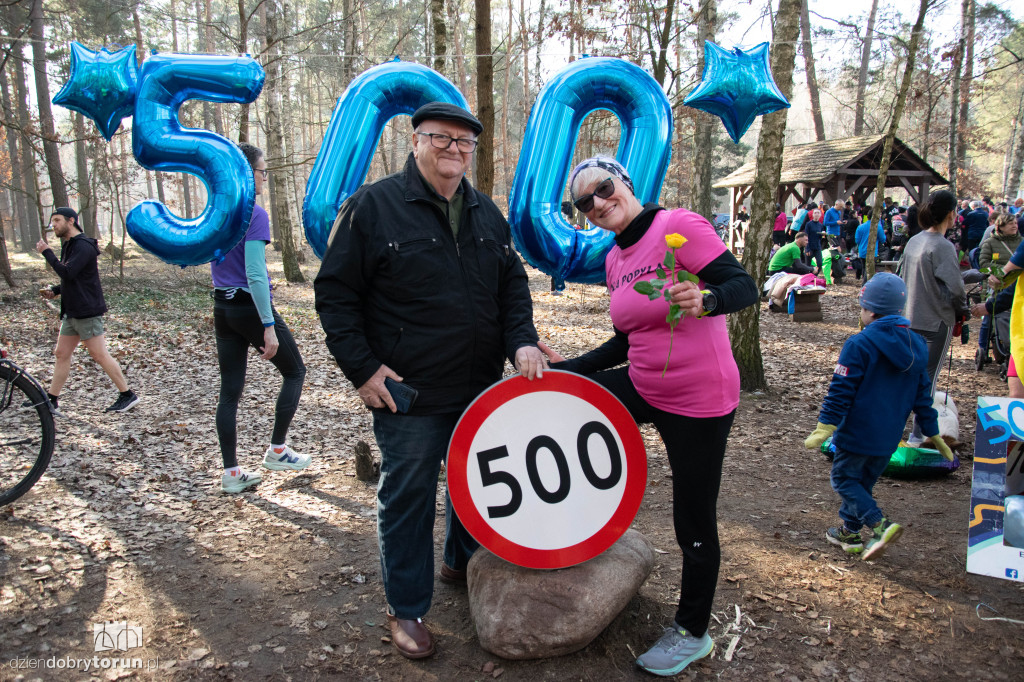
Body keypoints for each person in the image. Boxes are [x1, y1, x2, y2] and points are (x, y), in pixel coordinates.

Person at [313, 102, 545, 660]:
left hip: (479, 385)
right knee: (409, 495)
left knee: (477, 483)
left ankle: (458, 562)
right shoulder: (373, 207)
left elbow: (512, 287)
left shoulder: (486, 213)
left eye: (464, 142)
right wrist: (362, 368)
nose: (454, 150)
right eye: (442, 138)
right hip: (409, 390)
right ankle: (408, 608)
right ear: (416, 141)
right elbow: (335, 295)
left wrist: (522, 340)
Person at [539, 155, 758, 677]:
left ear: (625, 182)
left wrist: (706, 298)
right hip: (642, 382)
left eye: (604, 188)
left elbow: (743, 286)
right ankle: (561, 531)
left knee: (693, 519)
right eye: (583, 202)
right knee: (563, 405)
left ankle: (693, 632)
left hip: (698, 399)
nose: (597, 203)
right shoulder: (615, 258)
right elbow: (626, 339)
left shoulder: (678, 226)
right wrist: (568, 370)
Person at [805, 274, 952, 560]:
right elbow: (923, 395)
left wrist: (825, 425)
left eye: (862, 307)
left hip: (857, 434)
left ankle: (880, 525)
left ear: (871, 311)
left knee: (844, 479)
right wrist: (932, 430)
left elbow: (841, 390)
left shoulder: (859, 344)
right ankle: (849, 533)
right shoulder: (917, 345)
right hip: (889, 438)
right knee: (862, 484)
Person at [210, 143, 309, 494]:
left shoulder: (219, 211)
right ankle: (277, 450)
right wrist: (268, 325)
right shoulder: (254, 213)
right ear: (247, 173)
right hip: (249, 307)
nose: (264, 177)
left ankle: (232, 473)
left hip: (222, 307)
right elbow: (254, 273)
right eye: (261, 171)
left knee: (229, 392)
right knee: (295, 371)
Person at [34, 207, 139, 414]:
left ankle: (127, 395)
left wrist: (47, 252)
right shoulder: (70, 245)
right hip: (72, 311)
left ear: (71, 221)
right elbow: (73, 278)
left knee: (99, 354)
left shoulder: (84, 246)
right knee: (61, 354)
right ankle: (51, 400)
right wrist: (55, 291)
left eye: (57, 220)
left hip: (87, 310)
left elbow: (68, 272)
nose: (53, 225)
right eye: (52, 221)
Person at [898, 190, 971, 444]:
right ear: (951, 214)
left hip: (909, 319)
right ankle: (918, 435)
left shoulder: (914, 241)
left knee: (907, 378)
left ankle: (895, 430)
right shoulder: (944, 246)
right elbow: (956, 289)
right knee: (927, 381)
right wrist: (964, 311)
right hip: (936, 321)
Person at [976, 213, 1021, 363]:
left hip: (1016, 284)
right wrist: (1001, 271)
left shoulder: (1021, 242)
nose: (1014, 226)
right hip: (996, 284)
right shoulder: (990, 243)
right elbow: (983, 264)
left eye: (1015, 223)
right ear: (1001, 226)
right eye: (1010, 223)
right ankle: (983, 347)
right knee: (989, 316)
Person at [852, 217, 886, 282]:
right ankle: (867, 283)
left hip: (862, 251)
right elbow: (883, 239)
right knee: (870, 269)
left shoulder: (860, 227)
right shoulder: (878, 227)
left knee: (864, 268)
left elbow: (857, 240)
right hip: (873, 252)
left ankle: (864, 283)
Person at [803, 208, 824, 273]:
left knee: (820, 263)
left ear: (820, 215)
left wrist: (823, 235)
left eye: (818, 213)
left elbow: (820, 238)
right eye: (815, 213)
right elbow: (806, 236)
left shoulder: (821, 225)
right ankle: (807, 277)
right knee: (807, 265)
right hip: (809, 246)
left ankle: (814, 276)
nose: (816, 214)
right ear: (812, 215)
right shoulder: (808, 224)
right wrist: (807, 248)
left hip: (817, 247)